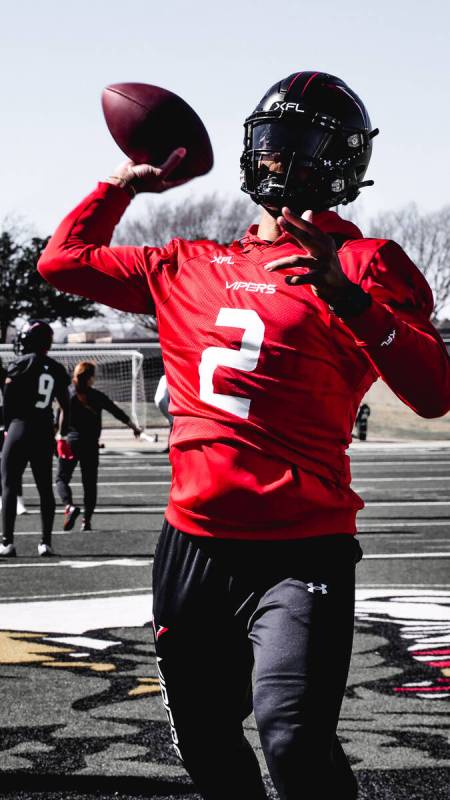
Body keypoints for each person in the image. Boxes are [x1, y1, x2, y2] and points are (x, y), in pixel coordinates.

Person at [38, 71, 450, 800]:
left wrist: (347, 297)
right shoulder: (185, 264)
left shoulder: (368, 262)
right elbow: (60, 261)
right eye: (268, 142)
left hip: (302, 548)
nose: (276, 160)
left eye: (298, 144)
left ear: (342, 163)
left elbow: (433, 393)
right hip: (192, 547)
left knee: (292, 742)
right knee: (205, 746)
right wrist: (123, 183)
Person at [0, 320, 71, 557]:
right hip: (43, 430)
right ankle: (45, 542)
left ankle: (7, 542)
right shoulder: (57, 368)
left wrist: (7, 428)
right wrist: (59, 431)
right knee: (44, 489)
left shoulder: (18, 364)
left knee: (9, 485)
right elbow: (65, 406)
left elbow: (8, 404)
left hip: (19, 427)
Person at [56, 360, 142, 532]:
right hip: (90, 444)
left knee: (61, 478)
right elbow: (115, 411)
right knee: (89, 483)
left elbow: (59, 418)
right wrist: (133, 427)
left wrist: (59, 436)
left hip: (71, 442)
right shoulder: (96, 396)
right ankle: (86, 521)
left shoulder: (68, 394)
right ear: (90, 378)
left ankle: (69, 506)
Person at [0, 357, 27, 515]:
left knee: (13, 466)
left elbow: (12, 400)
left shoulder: (7, 376)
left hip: (9, 425)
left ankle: (18, 500)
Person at [154, 373, 173, 452]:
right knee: (174, 422)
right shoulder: (167, 378)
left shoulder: (165, 378)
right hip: (163, 401)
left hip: (161, 401)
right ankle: (171, 446)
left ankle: (171, 445)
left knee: (173, 422)